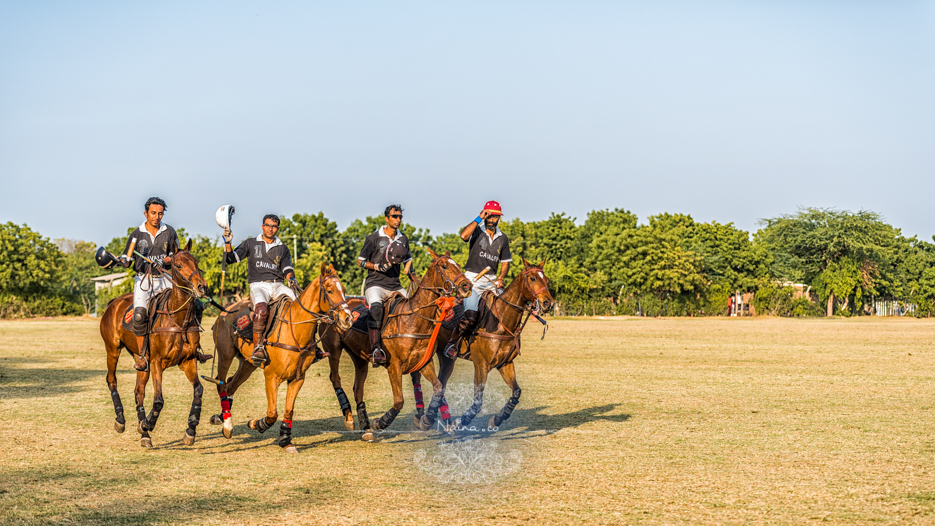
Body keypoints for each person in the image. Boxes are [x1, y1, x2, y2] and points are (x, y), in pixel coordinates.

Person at [223, 214, 298, 367]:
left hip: (278, 285)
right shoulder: (251, 243)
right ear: (262, 226)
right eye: (268, 225)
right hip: (258, 285)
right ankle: (258, 347)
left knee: (301, 304)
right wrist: (228, 243)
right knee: (262, 310)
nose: (271, 229)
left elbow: (287, 268)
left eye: (274, 226)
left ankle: (312, 346)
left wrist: (291, 279)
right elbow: (231, 259)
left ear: (277, 228)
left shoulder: (282, 247)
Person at [117, 197, 180, 372]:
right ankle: (143, 356)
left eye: (160, 213)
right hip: (144, 280)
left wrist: (164, 259)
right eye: (153, 213)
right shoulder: (137, 234)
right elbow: (127, 259)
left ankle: (193, 348)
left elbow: (176, 255)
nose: (157, 217)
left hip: (165, 278)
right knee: (139, 315)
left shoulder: (169, 232)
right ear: (146, 213)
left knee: (190, 304)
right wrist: (119, 260)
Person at [443, 200, 512, 359]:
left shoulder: (503, 238)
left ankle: (504, 344)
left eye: (495, 217)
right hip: (473, 280)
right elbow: (463, 236)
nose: (492, 219)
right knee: (471, 315)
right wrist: (479, 218)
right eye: (490, 216)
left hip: (492, 281)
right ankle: (452, 343)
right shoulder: (476, 230)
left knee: (509, 309)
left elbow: (505, 262)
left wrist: (501, 278)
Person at [357, 204, 413, 365]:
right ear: (386, 218)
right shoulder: (374, 238)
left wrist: (409, 272)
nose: (398, 220)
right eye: (395, 216)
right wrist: (376, 267)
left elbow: (408, 258)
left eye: (400, 217)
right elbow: (360, 261)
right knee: (376, 309)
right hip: (376, 284)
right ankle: (376, 349)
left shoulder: (403, 238)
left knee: (414, 308)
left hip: (395, 285)